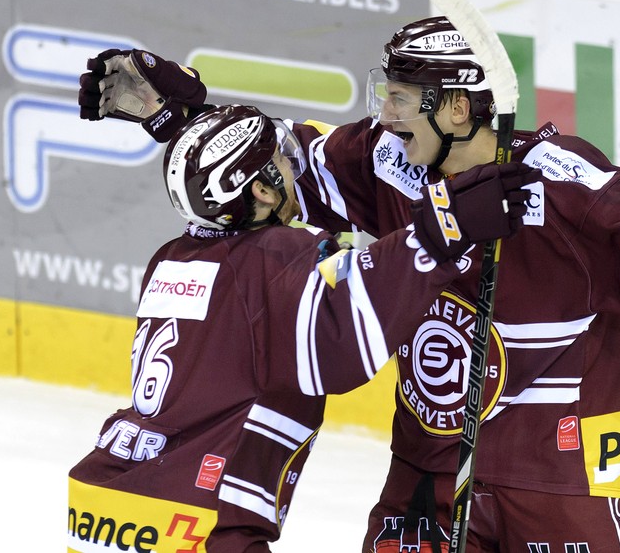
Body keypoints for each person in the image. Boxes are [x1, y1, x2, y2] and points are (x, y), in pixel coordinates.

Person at [78, 17, 620, 552]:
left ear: (458, 109)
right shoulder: (385, 161)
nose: (384, 115)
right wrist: (180, 117)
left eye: (401, 98)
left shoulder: (556, 176)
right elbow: (276, 171)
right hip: (427, 479)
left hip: (558, 485)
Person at [66, 102, 535, 553]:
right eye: (281, 161)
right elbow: (343, 335)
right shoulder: (275, 258)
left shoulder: (168, 258)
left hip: (104, 510)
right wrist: (440, 230)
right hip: (194, 523)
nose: (294, 169)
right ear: (263, 192)